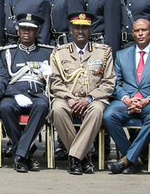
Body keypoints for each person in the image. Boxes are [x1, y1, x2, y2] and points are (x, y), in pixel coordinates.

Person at [48, 11, 116, 175]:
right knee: (57, 110)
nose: (80, 31)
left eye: (84, 28)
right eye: (77, 27)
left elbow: (109, 82)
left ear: (90, 31)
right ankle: (82, 158)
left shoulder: (104, 52)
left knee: (97, 111)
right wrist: (70, 99)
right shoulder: (59, 52)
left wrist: (89, 98)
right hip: (66, 97)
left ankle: (74, 157)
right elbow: (55, 81)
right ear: (71, 30)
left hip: (94, 98)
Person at [104, 17, 150, 175]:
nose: (140, 34)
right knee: (108, 115)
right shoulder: (121, 54)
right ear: (133, 33)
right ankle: (134, 158)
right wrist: (126, 98)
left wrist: (147, 100)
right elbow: (115, 83)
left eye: (144, 30)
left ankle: (126, 160)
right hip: (126, 100)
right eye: (137, 31)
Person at [0, 12, 54, 173]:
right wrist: (15, 93)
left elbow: (54, 81)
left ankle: (20, 154)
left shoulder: (48, 52)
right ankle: (25, 153)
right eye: (23, 29)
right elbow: (2, 79)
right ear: (18, 32)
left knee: (42, 105)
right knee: (5, 108)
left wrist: (51, 74)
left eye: (31, 29)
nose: (26, 32)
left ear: (37, 32)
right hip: (14, 94)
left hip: (37, 94)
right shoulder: (7, 53)